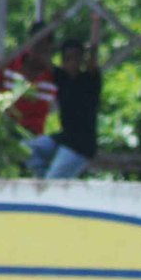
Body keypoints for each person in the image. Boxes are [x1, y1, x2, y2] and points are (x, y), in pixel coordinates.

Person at [28, 15, 102, 179]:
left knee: (53, 181)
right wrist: (52, 27)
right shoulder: (61, 78)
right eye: (68, 59)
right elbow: (42, 53)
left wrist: (96, 22)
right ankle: (40, 179)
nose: (72, 63)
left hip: (81, 144)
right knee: (29, 148)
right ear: (62, 60)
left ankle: (47, 187)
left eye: (76, 58)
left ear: (82, 59)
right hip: (65, 138)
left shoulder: (90, 80)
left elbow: (94, 51)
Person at [0, 21, 56, 164]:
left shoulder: (53, 78)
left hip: (33, 144)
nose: (39, 53)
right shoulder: (9, 66)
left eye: (43, 48)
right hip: (2, 139)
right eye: (36, 46)